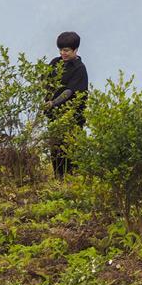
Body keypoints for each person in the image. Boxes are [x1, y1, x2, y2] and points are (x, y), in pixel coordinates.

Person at [43, 31, 88, 179]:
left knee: (70, 149)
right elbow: (45, 80)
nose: (63, 53)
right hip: (54, 115)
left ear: (75, 50)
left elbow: (69, 91)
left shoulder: (79, 68)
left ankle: (71, 181)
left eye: (67, 50)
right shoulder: (55, 62)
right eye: (61, 50)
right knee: (55, 148)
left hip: (72, 116)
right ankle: (58, 180)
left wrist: (53, 103)